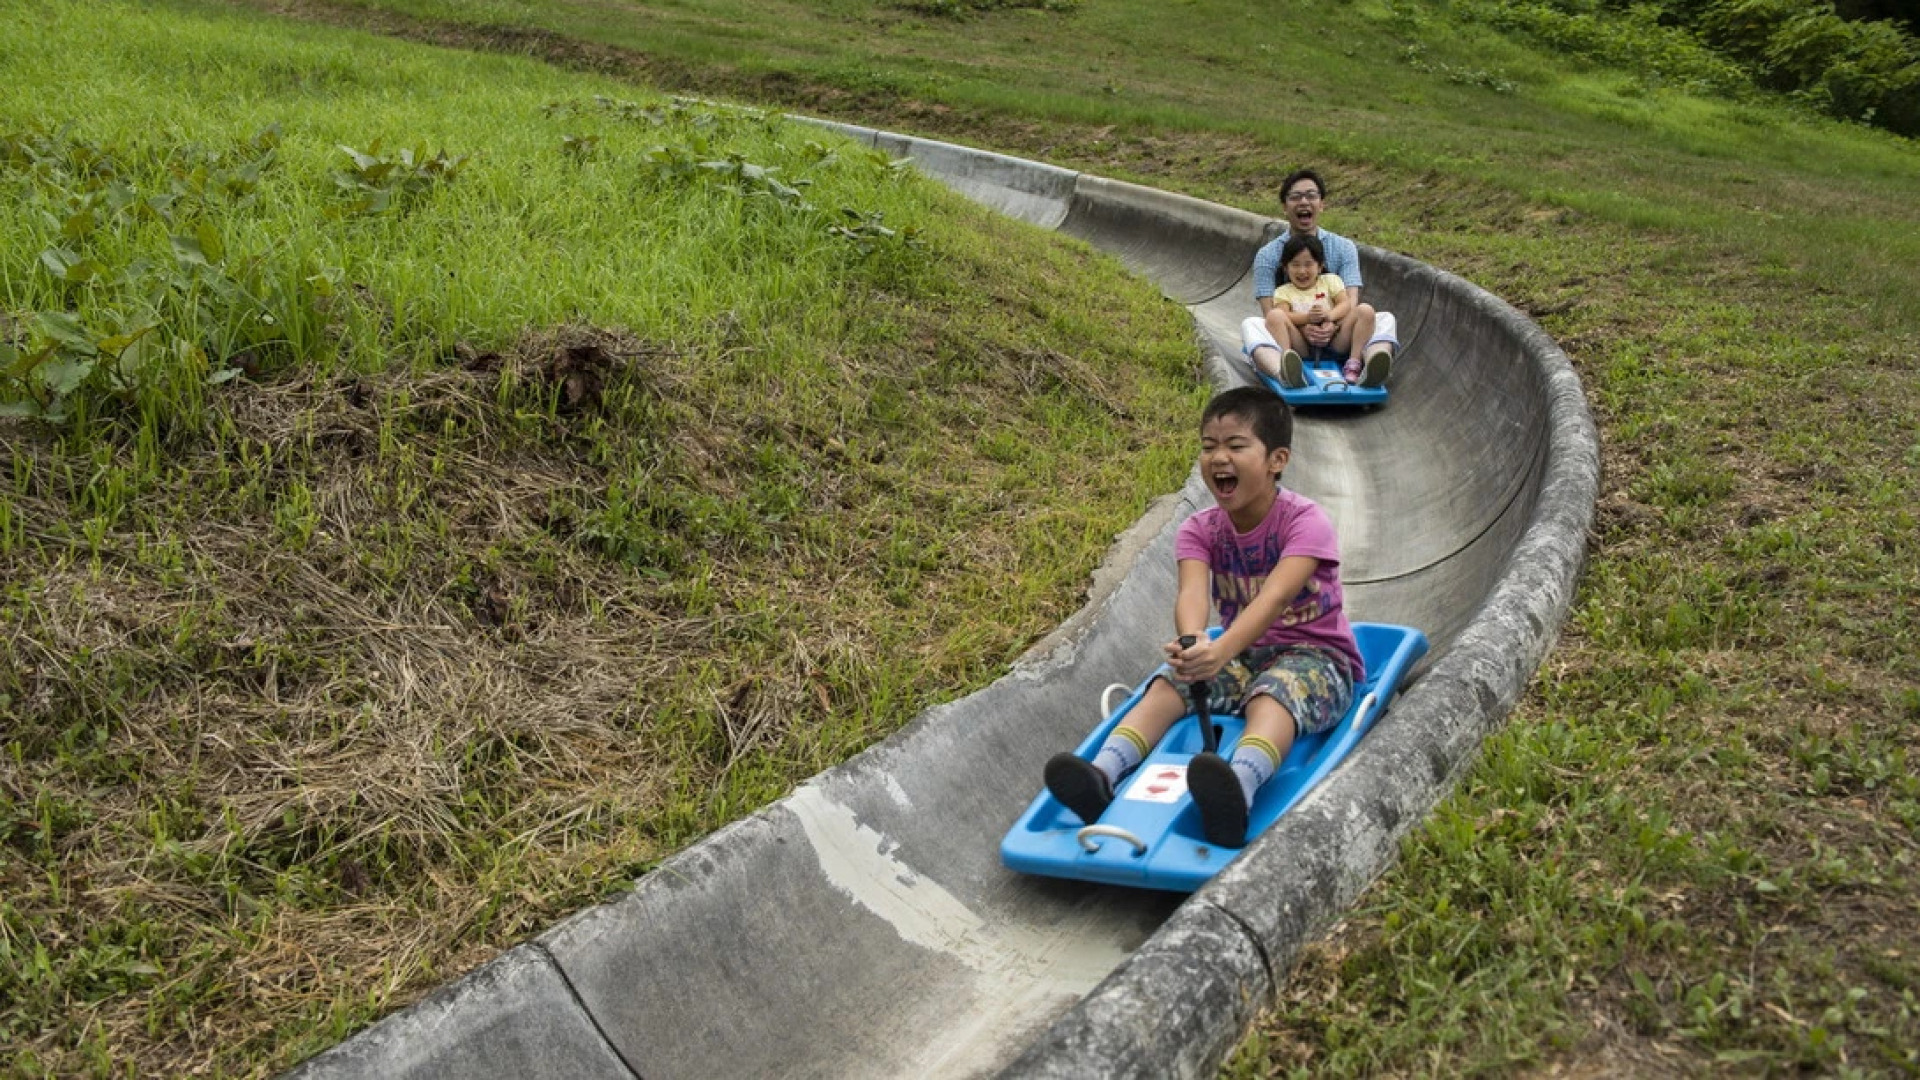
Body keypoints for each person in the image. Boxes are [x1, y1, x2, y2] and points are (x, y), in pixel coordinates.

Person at [1043, 387, 1365, 847]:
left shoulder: (1305, 522)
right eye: (1209, 446)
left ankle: (1238, 787)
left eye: (1236, 446)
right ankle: (1103, 774)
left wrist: (1223, 649)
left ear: (1277, 459)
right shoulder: (1200, 528)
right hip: (1240, 653)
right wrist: (1195, 644)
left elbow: (1273, 598)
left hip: (1317, 659)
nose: (1218, 458)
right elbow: (1191, 592)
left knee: (1273, 695)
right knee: (1168, 683)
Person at [1241, 168, 1396, 388]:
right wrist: (1306, 327)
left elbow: (1351, 302)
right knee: (1251, 325)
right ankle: (1283, 370)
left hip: (1338, 333)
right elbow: (1270, 313)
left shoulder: (1343, 248)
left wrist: (1330, 323)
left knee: (1383, 318)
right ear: (1285, 207)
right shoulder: (1268, 255)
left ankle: (1371, 365)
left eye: (1311, 195)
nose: (1304, 202)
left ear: (1321, 204)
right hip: (1294, 338)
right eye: (1295, 197)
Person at [1263, 233, 1365, 388]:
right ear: (1285, 268)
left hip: (1335, 342)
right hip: (1302, 347)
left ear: (1320, 266)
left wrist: (1329, 317)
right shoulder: (1283, 292)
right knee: (1273, 316)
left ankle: (1354, 362)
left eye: (1308, 264)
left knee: (1365, 311)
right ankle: (1287, 363)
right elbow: (1283, 314)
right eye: (1295, 265)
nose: (1302, 271)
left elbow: (1345, 305)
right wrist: (1308, 319)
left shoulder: (1331, 281)